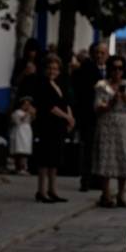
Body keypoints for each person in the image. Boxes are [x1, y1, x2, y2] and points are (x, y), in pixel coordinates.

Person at [92, 56, 126, 208]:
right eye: (114, 68)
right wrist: (111, 102)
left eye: (120, 68)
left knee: (122, 156)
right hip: (106, 123)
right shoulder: (102, 85)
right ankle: (105, 194)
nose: (118, 71)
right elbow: (97, 108)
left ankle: (121, 194)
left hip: (121, 122)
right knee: (105, 156)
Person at [33, 54, 74, 203]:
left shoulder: (59, 84)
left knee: (55, 159)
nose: (52, 71)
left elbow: (65, 102)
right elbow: (50, 106)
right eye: (50, 68)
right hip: (47, 124)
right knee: (45, 158)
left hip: (58, 126)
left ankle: (52, 189)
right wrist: (66, 117)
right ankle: (41, 190)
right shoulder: (43, 84)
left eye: (55, 68)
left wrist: (70, 117)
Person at [75, 43, 109, 193]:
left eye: (102, 53)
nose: (99, 55)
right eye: (97, 52)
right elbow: (81, 92)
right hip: (90, 115)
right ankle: (86, 180)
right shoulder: (87, 68)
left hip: (106, 117)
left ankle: (98, 179)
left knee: (101, 150)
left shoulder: (109, 70)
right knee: (88, 148)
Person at [9, 96, 36, 174]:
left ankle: (24, 167)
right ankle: (19, 168)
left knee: (25, 151)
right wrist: (27, 113)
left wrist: (32, 113)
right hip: (19, 131)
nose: (27, 106)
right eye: (26, 104)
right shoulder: (17, 112)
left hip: (27, 131)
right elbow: (18, 121)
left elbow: (33, 119)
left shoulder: (29, 112)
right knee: (20, 150)